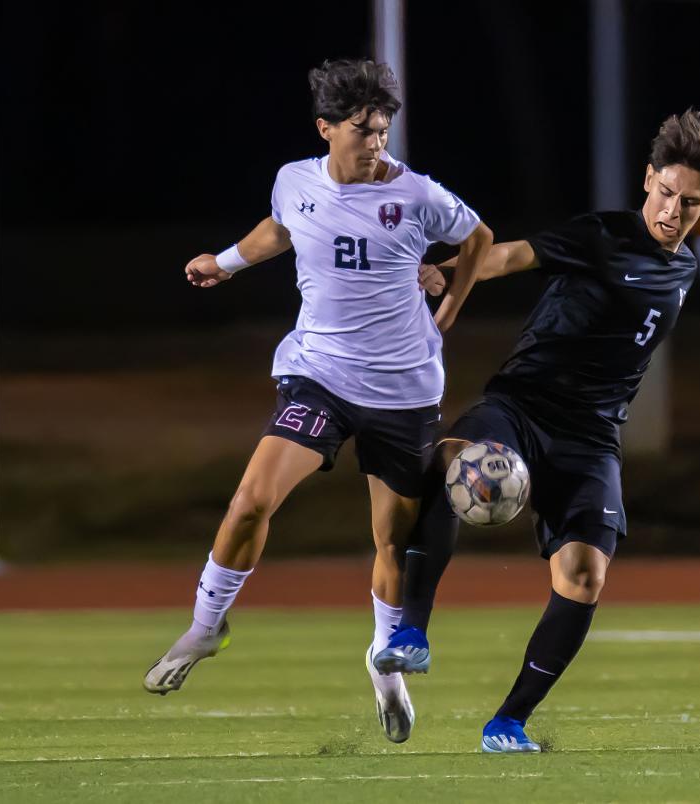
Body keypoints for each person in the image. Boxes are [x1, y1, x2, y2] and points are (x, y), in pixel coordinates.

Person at [143, 59, 493, 747]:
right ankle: (207, 626)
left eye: (384, 130)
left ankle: (384, 662)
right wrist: (225, 261)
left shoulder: (418, 196)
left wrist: (448, 308)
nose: (376, 143)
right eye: (362, 130)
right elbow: (281, 227)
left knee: (392, 542)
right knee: (251, 500)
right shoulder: (294, 180)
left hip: (404, 394)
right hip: (319, 377)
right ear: (326, 129)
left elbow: (478, 237)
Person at [373, 109, 700, 752]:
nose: (670, 211)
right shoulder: (605, 234)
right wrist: (450, 272)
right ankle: (410, 631)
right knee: (454, 459)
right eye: (664, 193)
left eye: (688, 203)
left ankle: (508, 722)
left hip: (592, 437)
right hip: (523, 403)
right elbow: (513, 254)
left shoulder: (682, 271)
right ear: (647, 178)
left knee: (584, 576)